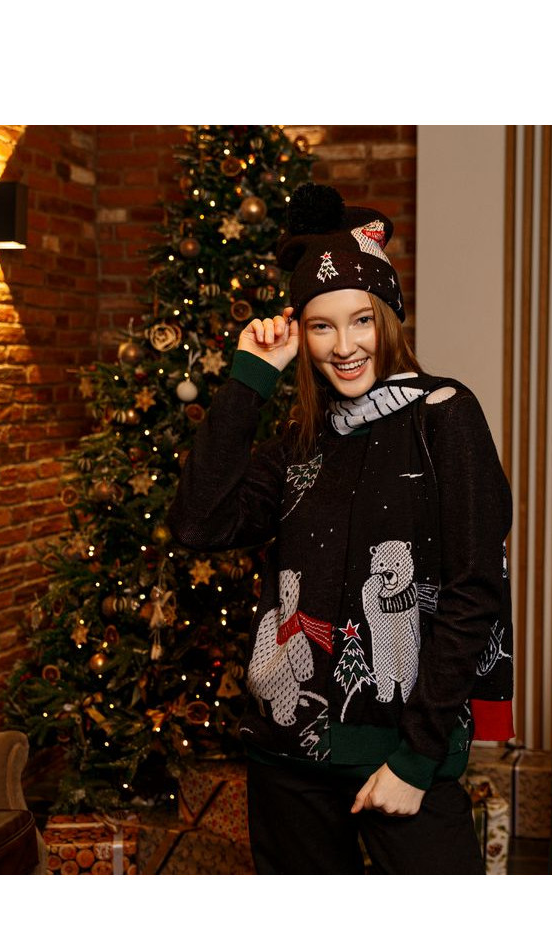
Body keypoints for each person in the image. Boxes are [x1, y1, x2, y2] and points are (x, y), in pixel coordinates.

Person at [169, 183, 513, 875]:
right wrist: (249, 381)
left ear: (389, 319)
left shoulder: (444, 416)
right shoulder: (300, 442)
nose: (345, 346)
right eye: (322, 327)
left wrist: (415, 760)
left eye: (361, 321)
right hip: (287, 756)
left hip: (403, 751)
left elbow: (475, 591)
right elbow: (198, 522)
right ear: (302, 334)